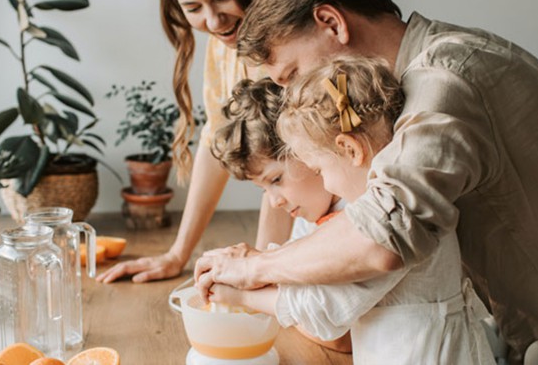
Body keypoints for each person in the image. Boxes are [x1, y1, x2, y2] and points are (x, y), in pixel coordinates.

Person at [193, 0, 538, 363]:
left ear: (332, 23)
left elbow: (382, 235)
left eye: (292, 76)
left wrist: (255, 267)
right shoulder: (421, 80)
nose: (293, 98)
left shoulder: (444, 81)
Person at [211, 56, 495, 364]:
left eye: (319, 169)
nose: (327, 184)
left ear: (349, 149)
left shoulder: (384, 219)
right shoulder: (371, 204)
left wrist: (242, 297)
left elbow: (326, 306)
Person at [96, 0, 288, 284]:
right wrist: (177, 254)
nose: (214, 22)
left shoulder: (290, 39)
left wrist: (262, 269)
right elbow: (216, 140)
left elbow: (286, 164)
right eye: (193, 9)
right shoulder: (224, 42)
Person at [209, 77, 351, 353]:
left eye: (275, 179)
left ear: (310, 148)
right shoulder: (308, 218)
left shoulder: (357, 210)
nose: (274, 202)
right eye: (263, 189)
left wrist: (243, 296)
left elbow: (339, 337)